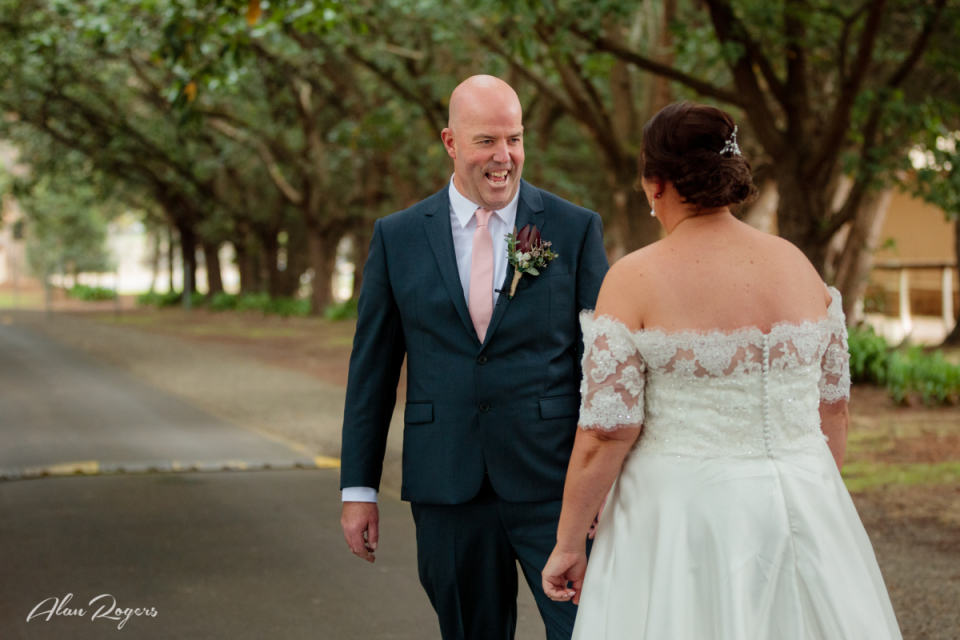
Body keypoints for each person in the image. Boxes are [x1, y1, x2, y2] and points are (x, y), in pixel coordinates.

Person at [541, 102, 902, 639]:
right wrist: (813, 498)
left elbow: (606, 432)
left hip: (682, 521)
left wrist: (569, 543)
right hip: (807, 501)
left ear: (656, 182)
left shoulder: (635, 277)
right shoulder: (797, 265)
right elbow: (835, 408)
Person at [340, 75, 609, 640]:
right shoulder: (398, 237)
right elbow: (373, 371)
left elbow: (603, 367)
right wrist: (359, 489)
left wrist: (608, 483)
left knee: (590, 629)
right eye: (486, 140)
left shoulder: (575, 228)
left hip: (554, 485)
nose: (504, 157)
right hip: (447, 484)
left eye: (514, 139)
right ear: (450, 143)